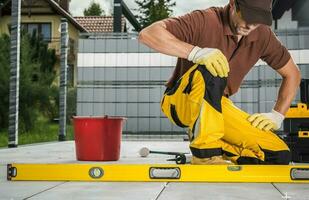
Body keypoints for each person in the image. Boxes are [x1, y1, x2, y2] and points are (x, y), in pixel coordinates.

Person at [138, 0, 301, 164]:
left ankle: (220, 149)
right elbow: (148, 34)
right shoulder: (205, 21)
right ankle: (205, 154)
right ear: (233, 4)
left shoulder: (263, 36)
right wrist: (196, 53)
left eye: (258, 20)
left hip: (216, 107)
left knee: (278, 154)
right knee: (213, 64)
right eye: (248, 16)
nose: (251, 25)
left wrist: (277, 115)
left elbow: (293, 74)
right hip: (181, 101)